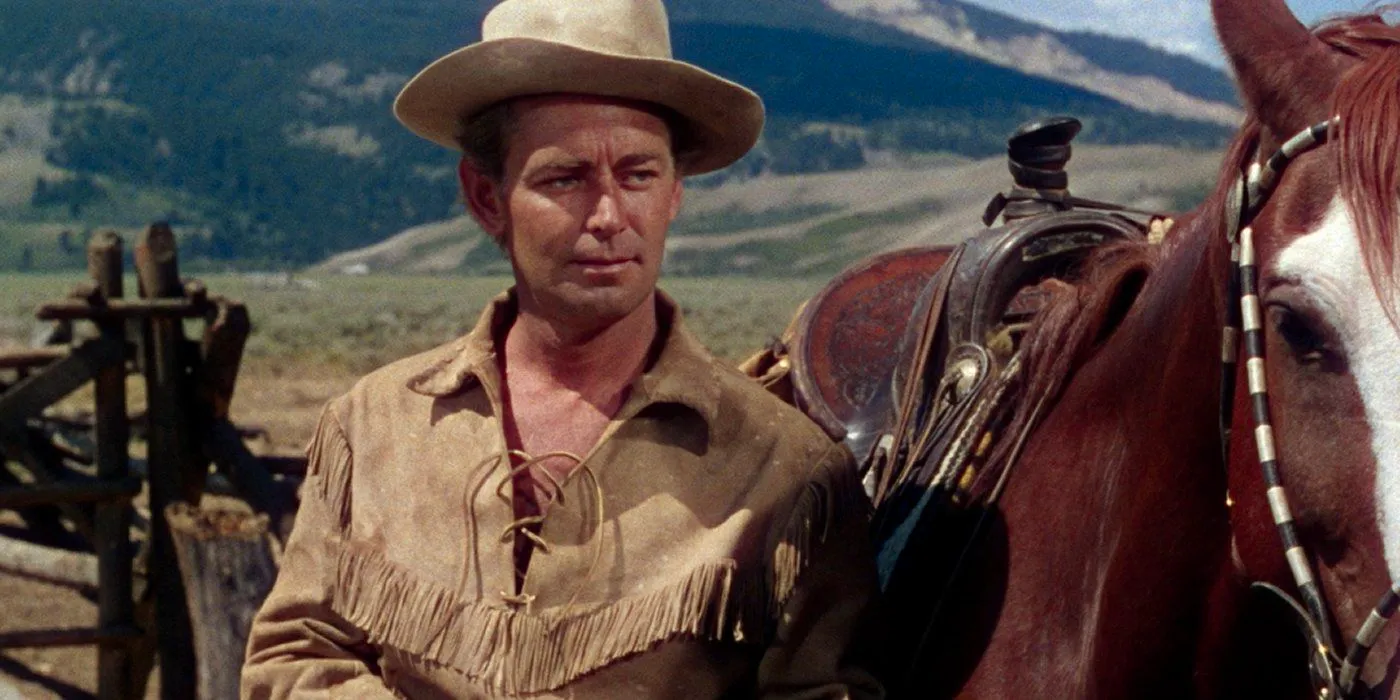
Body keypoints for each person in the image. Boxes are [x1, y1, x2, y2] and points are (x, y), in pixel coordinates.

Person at [241, 0, 881, 697]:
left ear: (674, 195)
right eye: (564, 179)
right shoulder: (373, 427)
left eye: (638, 175)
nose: (608, 217)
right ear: (487, 199)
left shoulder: (783, 470)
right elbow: (292, 657)